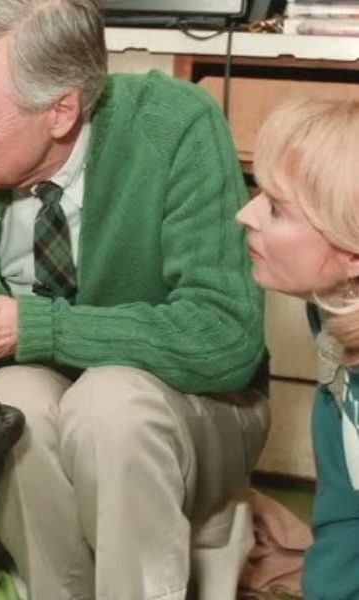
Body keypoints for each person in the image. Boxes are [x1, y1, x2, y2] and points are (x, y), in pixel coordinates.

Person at [0, 0, 271, 598]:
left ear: (61, 110)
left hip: (204, 409)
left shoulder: (175, 126)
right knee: (4, 401)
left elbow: (225, 339)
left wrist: (33, 326)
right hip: (58, 412)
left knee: (111, 403)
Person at [236, 98, 359, 600]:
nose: (245, 214)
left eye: (277, 208)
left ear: (351, 253)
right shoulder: (332, 312)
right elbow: (345, 508)